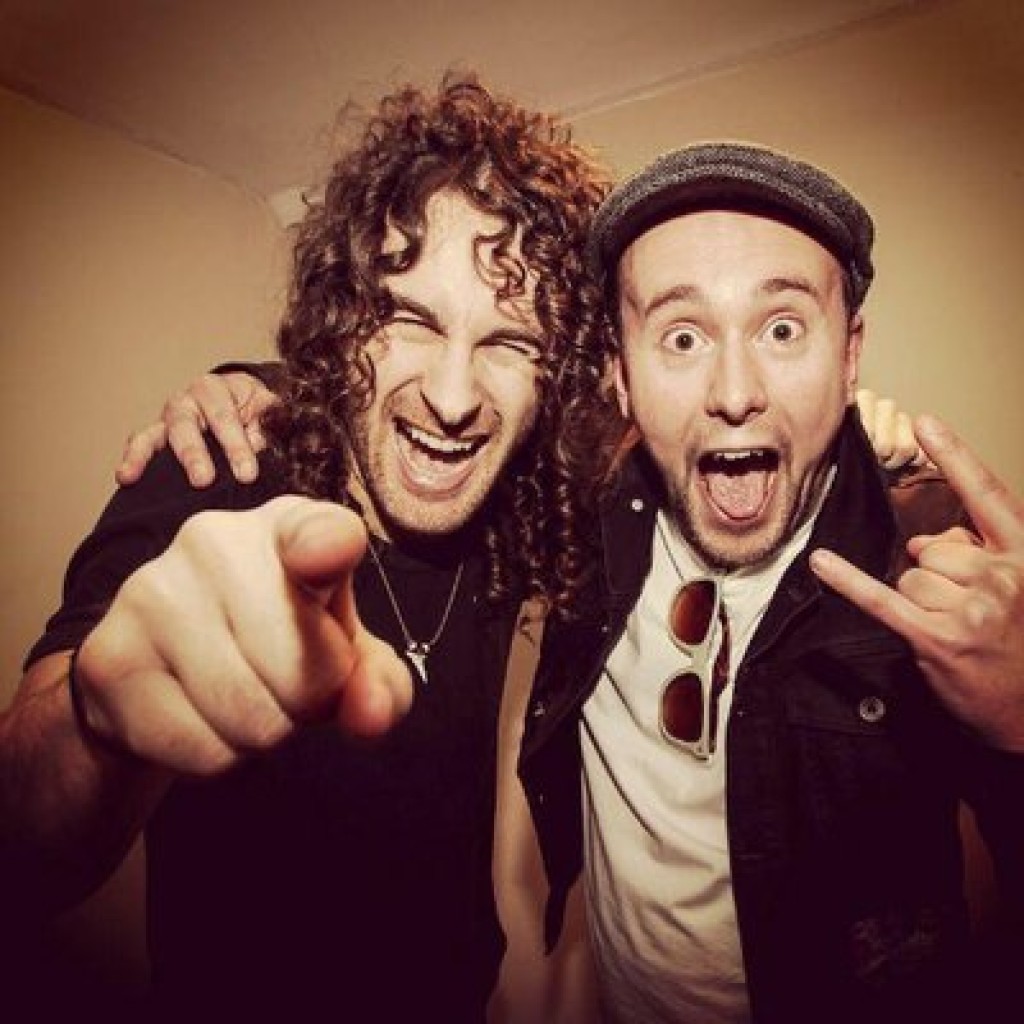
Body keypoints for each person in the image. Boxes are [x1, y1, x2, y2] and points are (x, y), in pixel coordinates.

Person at [0, 74, 611, 1022]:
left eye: (509, 343)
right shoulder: (217, 469)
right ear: (346, 317)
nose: (454, 397)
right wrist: (96, 715)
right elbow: (21, 855)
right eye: (410, 319)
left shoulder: (513, 502)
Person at [515, 142, 1024, 1023]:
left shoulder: (932, 552)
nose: (735, 391)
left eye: (782, 329)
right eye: (682, 337)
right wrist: (262, 403)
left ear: (850, 354)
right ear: (622, 376)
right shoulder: (577, 517)